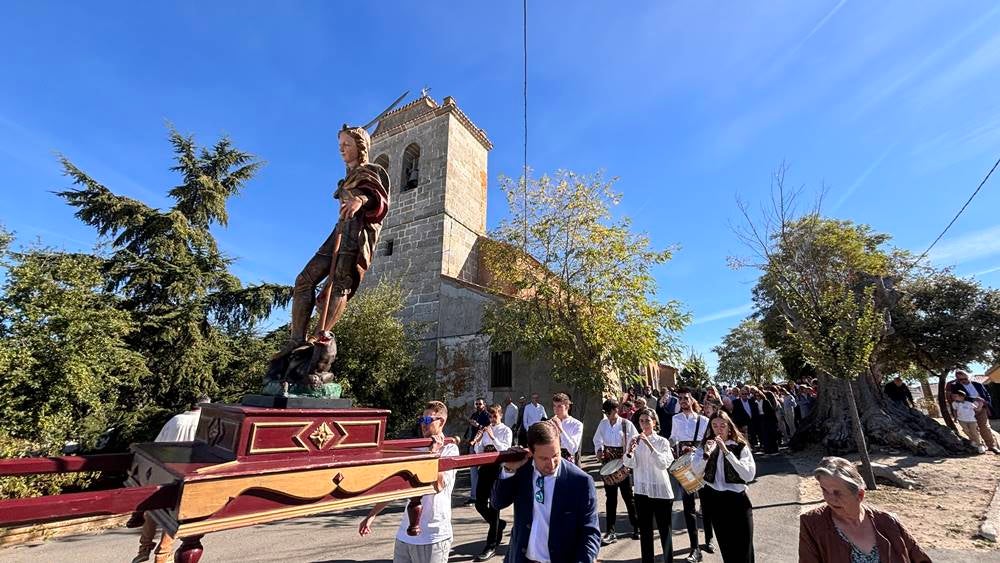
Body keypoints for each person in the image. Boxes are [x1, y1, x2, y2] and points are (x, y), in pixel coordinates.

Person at [285, 125, 389, 349]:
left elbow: (379, 198)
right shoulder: (349, 176)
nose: (341, 149)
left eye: (347, 144)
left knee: (340, 284)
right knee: (304, 280)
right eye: (340, 145)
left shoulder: (369, 171)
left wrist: (360, 199)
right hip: (340, 229)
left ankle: (316, 338)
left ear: (360, 147)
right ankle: (296, 341)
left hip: (356, 234)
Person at [359, 401, 459, 563]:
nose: (423, 425)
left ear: (441, 421)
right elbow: (398, 487)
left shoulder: (449, 450)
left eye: (428, 420)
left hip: (433, 536)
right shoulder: (415, 449)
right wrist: (371, 515)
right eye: (421, 420)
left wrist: (433, 454)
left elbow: (438, 485)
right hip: (406, 533)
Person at [491, 421, 601, 563]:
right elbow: (497, 503)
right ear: (531, 451)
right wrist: (509, 470)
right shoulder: (522, 471)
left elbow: (590, 533)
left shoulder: (580, 482)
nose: (551, 464)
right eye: (543, 458)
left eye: (556, 455)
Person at [799, 457, 931, 562]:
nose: (830, 499)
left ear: (860, 495)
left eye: (837, 492)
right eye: (824, 490)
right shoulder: (812, 524)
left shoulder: (889, 522)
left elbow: (921, 559)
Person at [133, 395, 210, 563]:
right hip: (185, 473)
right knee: (174, 518)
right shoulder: (203, 424)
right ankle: (162, 555)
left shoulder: (176, 420)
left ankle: (143, 550)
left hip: (163, 469)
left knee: (154, 511)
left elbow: (158, 443)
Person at [692, 412, 756, 563]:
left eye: (722, 425)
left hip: (738, 501)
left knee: (744, 547)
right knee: (727, 549)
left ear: (729, 427)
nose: (718, 429)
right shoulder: (705, 446)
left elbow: (748, 475)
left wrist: (727, 452)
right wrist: (706, 455)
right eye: (714, 425)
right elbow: (696, 471)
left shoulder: (740, 446)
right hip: (715, 500)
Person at [623, 408, 675, 563]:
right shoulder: (634, 440)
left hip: (661, 492)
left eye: (647, 420)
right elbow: (628, 463)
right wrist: (630, 451)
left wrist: (649, 445)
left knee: (665, 531)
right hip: (641, 491)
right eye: (641, 421)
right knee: (645, 532)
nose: (644, 424)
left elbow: (663, 464)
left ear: (654, 422)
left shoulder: (662, 441)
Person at [670, 390, 712, 562]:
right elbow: (673, 438)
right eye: (680, 399)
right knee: (688, 506)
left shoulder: (703, 420)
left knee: (706, 503)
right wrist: (672, 447)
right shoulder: (676, 419)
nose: (683, 401)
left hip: (701, 463)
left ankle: (708, 538)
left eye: (685, 398)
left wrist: (697, 449)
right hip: (684, 465)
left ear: (691, 400)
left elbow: (709, 440)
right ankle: (695, 548)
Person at [593, 398, 640, 545]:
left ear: (616, 410)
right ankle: (610, 531)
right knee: (610, 498)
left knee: (628, 497)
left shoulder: (626, 424)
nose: (608, 416)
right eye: (606, 413)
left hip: (623, 463)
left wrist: (628, 456)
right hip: (608, 463)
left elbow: (635, 440)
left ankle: (636, 527)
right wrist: (599, 450)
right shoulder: (603, 423)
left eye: (610, 413)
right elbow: (597, 439)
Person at [470, 404, 514, 561]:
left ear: (500, 415)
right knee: (479, 504)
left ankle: (491, 545)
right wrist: (479, 441)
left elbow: (505, 450)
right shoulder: (486, 430)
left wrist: (493, 437)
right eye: (490, 416)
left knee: (494, 507)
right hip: (485, 469)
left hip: (498, 470)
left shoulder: (505, 431)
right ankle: (498, 525)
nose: (492, 419)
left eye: (495, 416)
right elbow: (479, 452)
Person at [947, 370, 999, 454]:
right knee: (972, 430)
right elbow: (958, 397)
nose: (963, 381)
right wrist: (974, 399)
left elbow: (987, 395)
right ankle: (980, 445)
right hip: (966, 410)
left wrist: (984, 402)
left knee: (985, 427)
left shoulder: (977, 384)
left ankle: (992, 446)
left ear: (969, 376)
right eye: (960, 379)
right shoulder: (955, 386)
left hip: (981, 408)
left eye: (964, 378)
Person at [468, 398, 491, 503]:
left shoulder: (487, 415)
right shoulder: (474, 415)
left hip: (482, 445)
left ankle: (484, 496)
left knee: (484, 472)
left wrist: (478, 425)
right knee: (473, 471)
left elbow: (488, 429)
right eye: (476, 404)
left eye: (480, 404)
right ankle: (473, 496)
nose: (478, 405)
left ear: (484, 404)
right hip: (473, 443)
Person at [550, 393, 583, 465]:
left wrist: (560, 429)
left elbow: (573, 449)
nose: (556, 409)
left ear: (567, 407)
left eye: (559, 406)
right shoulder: (550, 423)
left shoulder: (576, 424)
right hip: (551, 458)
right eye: (554, 406)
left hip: (566, 460)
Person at [951, 388, 987, 454]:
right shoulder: (954, 403)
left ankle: (980, 445)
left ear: (962, 396)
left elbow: (977, 410)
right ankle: (974, 440)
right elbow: (955, 411)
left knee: (974, 432)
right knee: (966, 430)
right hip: (961, 420)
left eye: (955, 396)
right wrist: (955, 418)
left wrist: (981, 404)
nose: (954, 398)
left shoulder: (969, 403)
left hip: (971, 420)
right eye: (953, 396)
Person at [758, 390, 781, 454]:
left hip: (769, 419)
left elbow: (771, 412)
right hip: (762, 419)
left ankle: (774, 449)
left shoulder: (766, 401)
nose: (757, 397)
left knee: (772, 434)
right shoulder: (756, 402)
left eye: (758, 395)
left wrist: (775, 421)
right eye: (756, 396)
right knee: (765, 435)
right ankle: (767, 449)